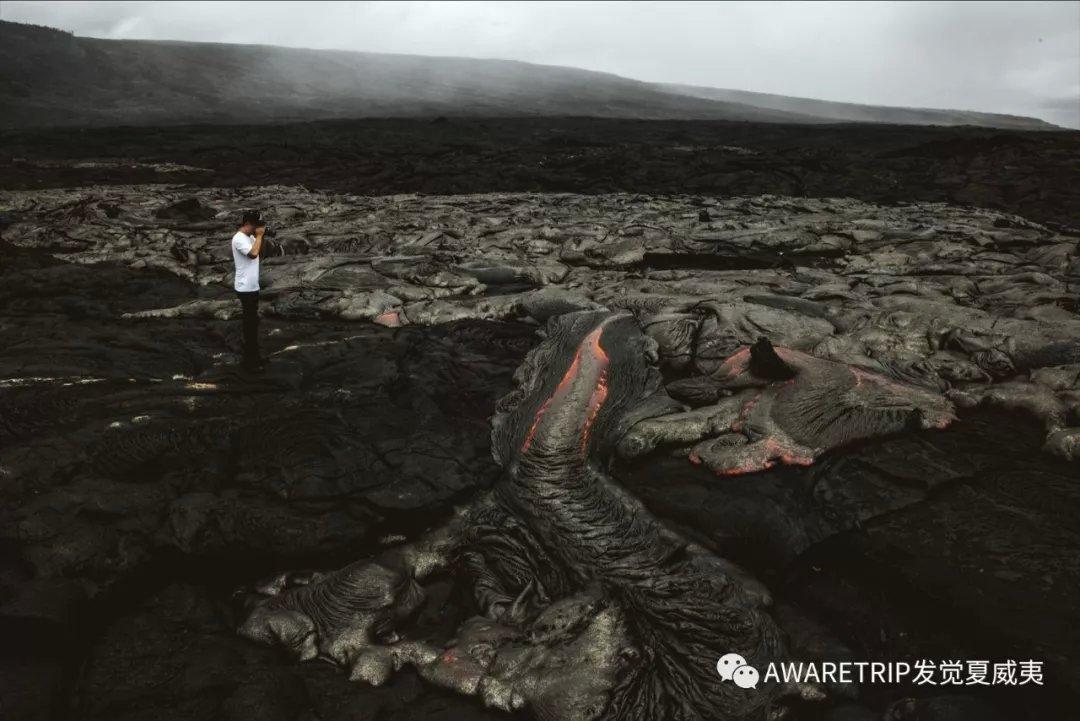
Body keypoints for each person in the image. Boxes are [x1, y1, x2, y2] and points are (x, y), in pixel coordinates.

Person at [232, 211, 266, 371]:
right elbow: (253, 254)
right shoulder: (238, 238)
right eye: (256, 225)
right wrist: (259, 236)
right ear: (248, 223)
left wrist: (259, 236)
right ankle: (250, 362)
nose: (258, 228)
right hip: (245, 288)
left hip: (252, 287)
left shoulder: (250, 237)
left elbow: (259, 249)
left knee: (253, 323)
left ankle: (255, 357)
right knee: (250, 326)